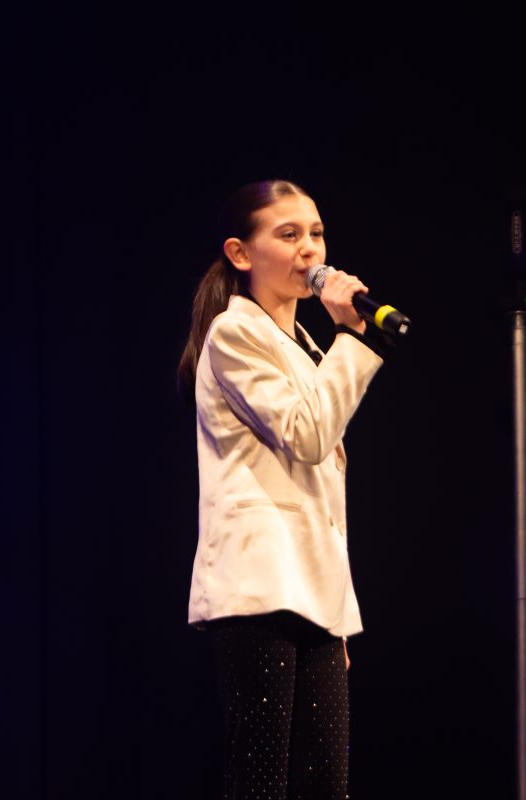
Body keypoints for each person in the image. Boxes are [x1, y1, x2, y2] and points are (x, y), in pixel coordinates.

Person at [178, 179, 386, 800]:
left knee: (327, 782)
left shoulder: (307, 349)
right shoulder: (234, 334)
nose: (309, 249)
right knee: (261, 780)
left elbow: (322, 498)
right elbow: (308, 435)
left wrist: (336, 614)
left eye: (316, 233)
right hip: (262, 585)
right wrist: (354, 337)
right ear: (241, 253)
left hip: (314, 592)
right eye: (288, 234)